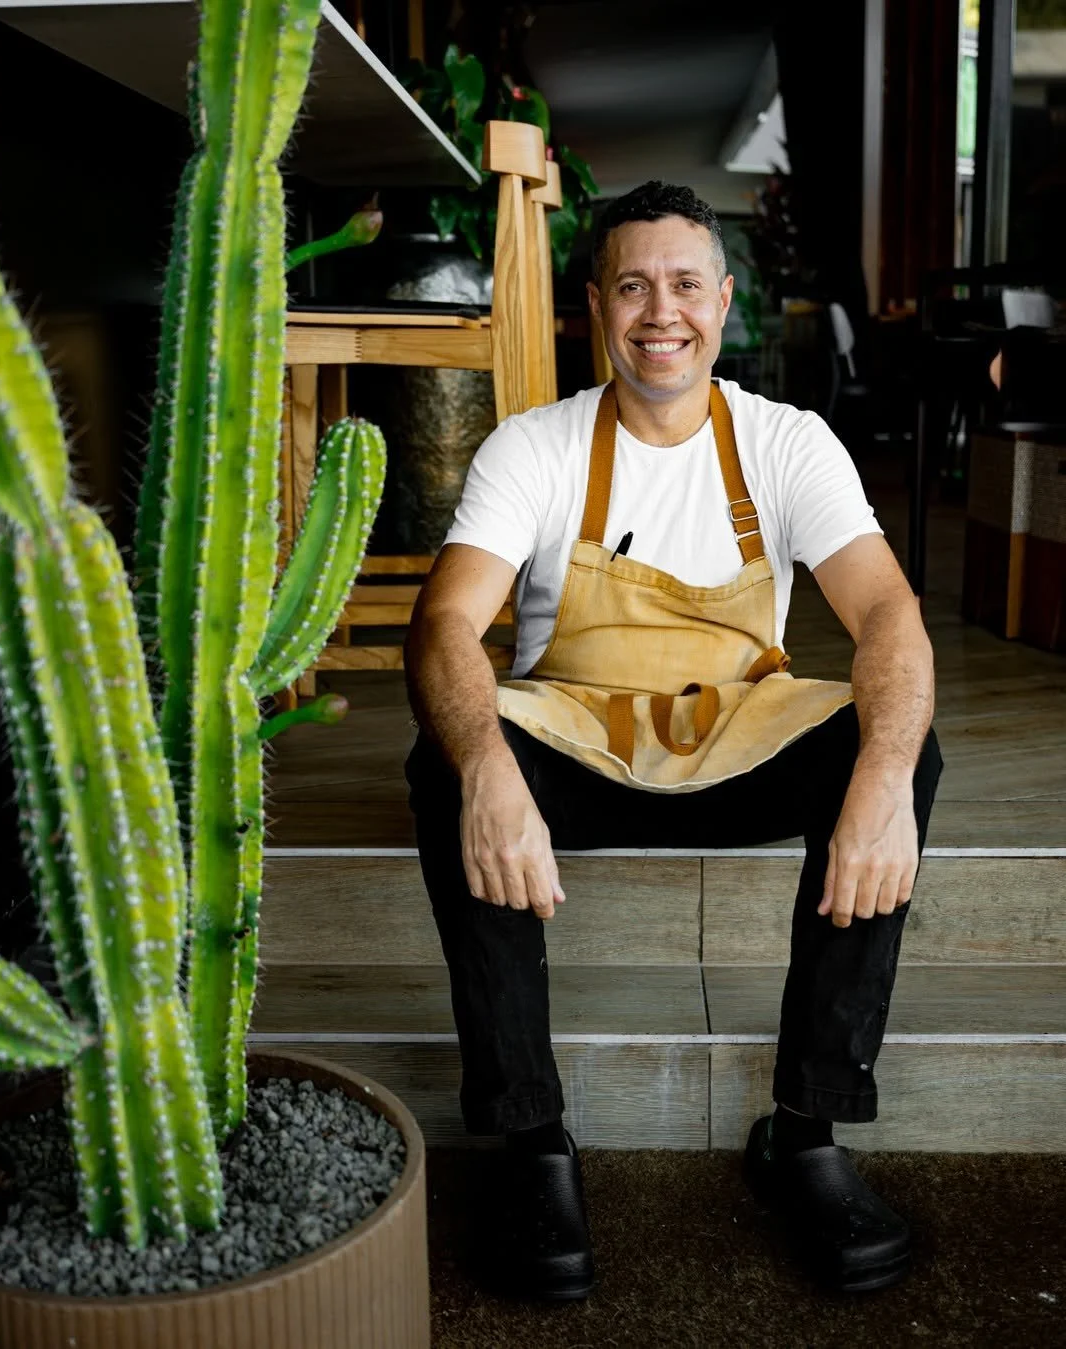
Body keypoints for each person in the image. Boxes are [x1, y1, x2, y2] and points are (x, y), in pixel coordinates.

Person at [404, 181, 942, 1301]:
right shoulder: (535, 446)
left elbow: (889, 615)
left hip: (739, 736)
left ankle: (807, 1133)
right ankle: (532, 1140)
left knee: (896, 741)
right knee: (449, 752)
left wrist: (885, 777)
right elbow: (446, 624)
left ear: (724, 300)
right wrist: (493, 772)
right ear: (594, 304)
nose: (663, 312)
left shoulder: (789, 443)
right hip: (579, 745)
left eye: (686, 284)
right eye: (635, 285)